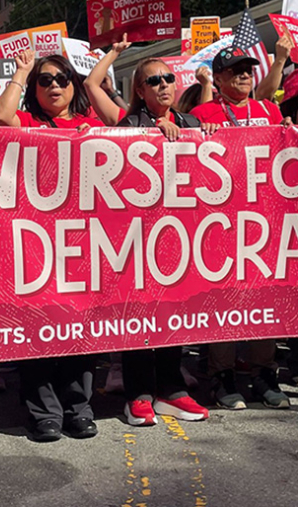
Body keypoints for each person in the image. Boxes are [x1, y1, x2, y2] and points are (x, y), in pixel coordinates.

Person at [86, 47, 216, 425]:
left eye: (168, 78)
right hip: (136, 241)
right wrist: (151, 135)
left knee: (175, 313)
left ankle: (171, 391)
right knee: (140, 317)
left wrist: (203, 136)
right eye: (153, 81)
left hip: (181, 237)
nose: (163, 85)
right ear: (139, 91)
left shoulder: (191, 121)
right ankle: (138, 394)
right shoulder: (127, 126)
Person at [0, 49, 101, 440]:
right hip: (35, 243)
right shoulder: (25, 121)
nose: (54, 85)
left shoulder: (89, 125)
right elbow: (0, 117)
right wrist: (21, 72)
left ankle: (78, 407)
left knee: (81, 329)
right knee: (39, 328)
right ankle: (44, 413)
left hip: (85, 243)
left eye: (61, 79)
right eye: (45, 80)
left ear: (74, 85)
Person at [189, 46, 292, 410]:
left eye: (248, 70)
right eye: (234, 72)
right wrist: (199, 135)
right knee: (226, 303)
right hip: (221, 226)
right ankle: (222, 377)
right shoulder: (202, 113)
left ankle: (265, 374)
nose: (244, 76)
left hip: (266, 224)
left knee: (265, 302)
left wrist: (292, 135)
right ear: (217, 79)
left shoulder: (270, 111)